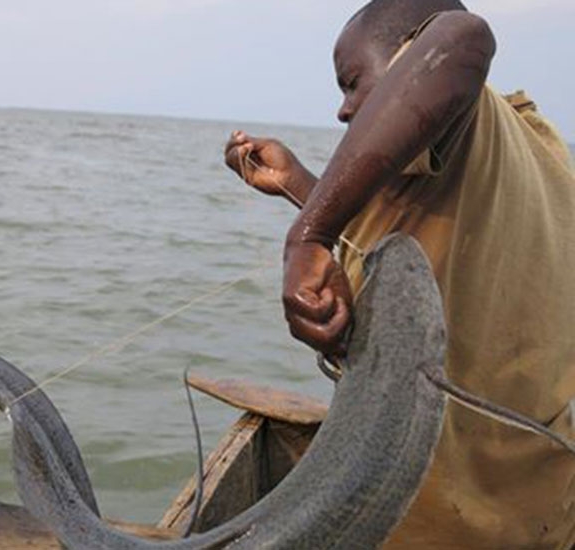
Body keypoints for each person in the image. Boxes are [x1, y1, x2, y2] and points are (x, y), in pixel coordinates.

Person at [224, 0, 575, 548]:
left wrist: (308, 236)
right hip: (540, 513)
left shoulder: (460, 81)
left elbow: (462, 38)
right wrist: (302, 187)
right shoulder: (537, 148)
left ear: (412, 49)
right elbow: (415, 243)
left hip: (427, 519)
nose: (343, 111)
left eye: (351, 82)